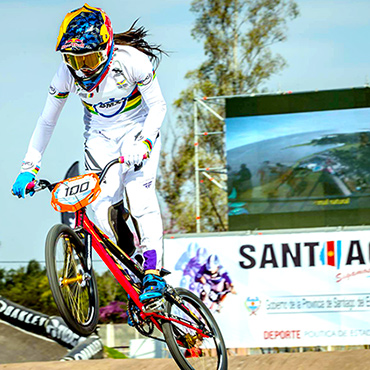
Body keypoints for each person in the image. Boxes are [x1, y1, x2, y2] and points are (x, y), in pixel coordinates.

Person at [11, 4, 167, 304]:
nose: (82, 68)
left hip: (138, 130)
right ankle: (134, 268)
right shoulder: (66, 74)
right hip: (99, 138)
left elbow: (158, 106)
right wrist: (30, 166)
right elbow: (47, 120)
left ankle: (154, 274)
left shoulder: (133, 61)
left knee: (140, 197)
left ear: (107, 48)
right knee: (100, 212)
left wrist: (145, 142)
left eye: (90, 58)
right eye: (74, 59)